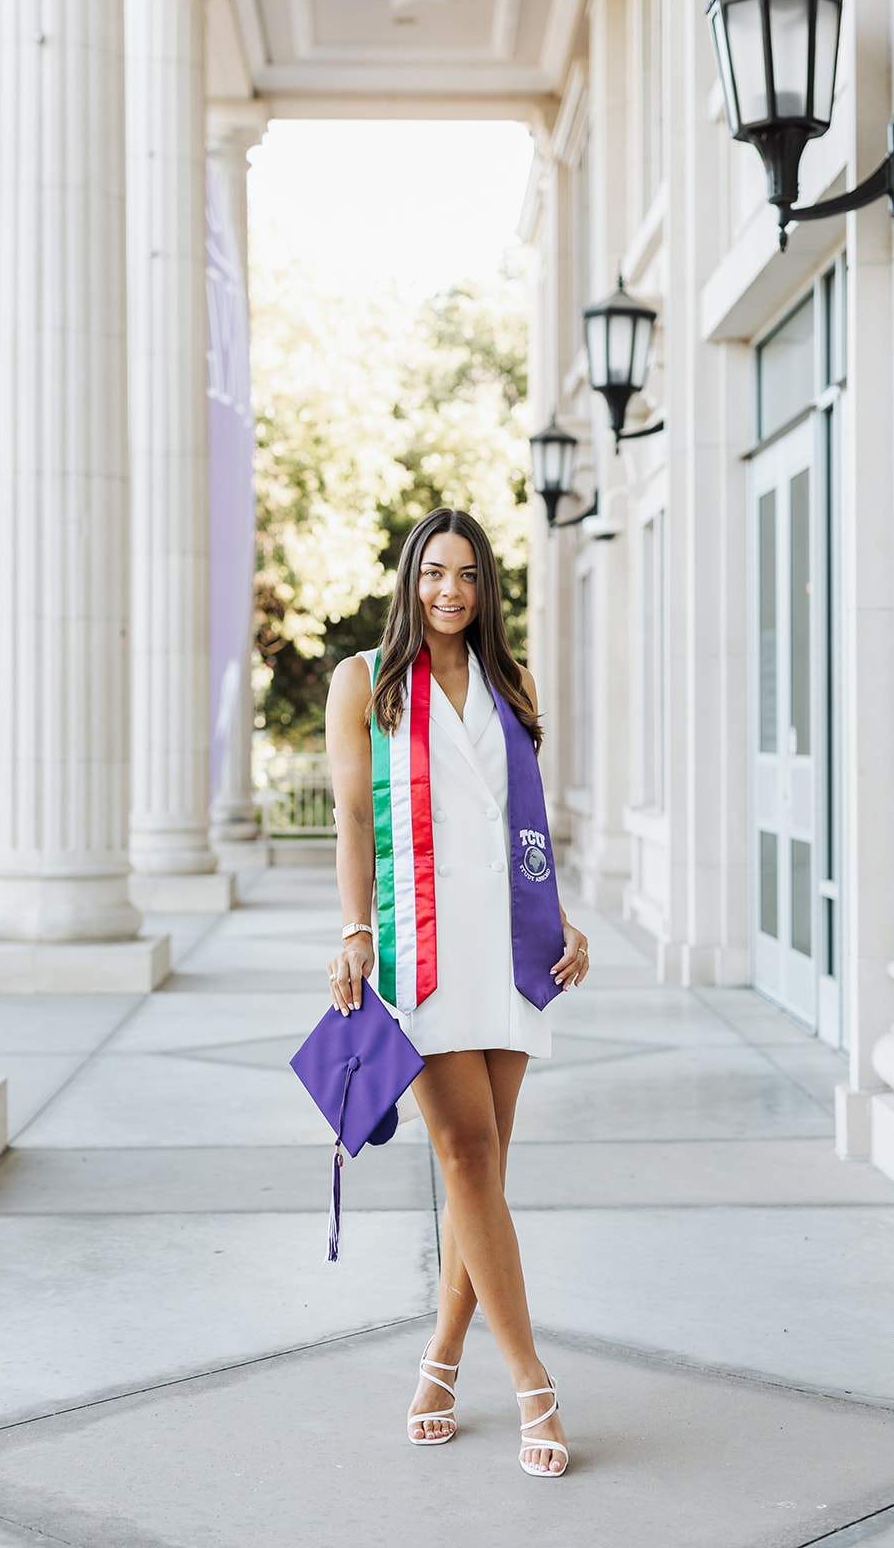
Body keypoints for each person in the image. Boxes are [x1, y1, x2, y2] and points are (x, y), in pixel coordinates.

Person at [324, 507, 589, 1479]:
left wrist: (561, 919)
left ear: (484, 588)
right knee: (466, 1156)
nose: (448, 590)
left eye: (467, 575)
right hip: (419, 949)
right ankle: (532, 1383)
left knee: (482, 1178)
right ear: (408, 577)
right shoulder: (365, 680)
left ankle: (438, 1362)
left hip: (508, 949)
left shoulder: (506, 680)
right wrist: (354, 931)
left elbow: (523, 824)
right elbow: (354, 818)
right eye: (433, 572)